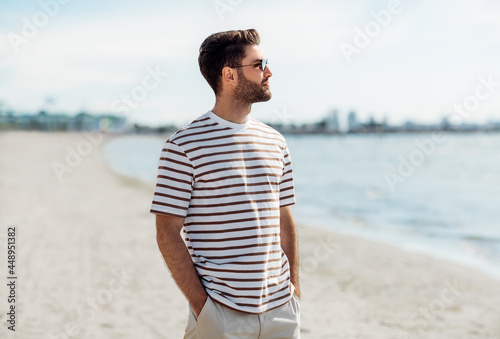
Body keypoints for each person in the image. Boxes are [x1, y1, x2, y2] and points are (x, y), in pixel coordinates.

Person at [150, 28, 300, 339]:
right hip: (221, 313)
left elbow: (284, 219)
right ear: (229, 75)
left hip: (281, 310)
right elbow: (167, 231)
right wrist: (204, 308)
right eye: (258, 65)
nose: (268, 72)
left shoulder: (275, 141)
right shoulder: (183, 146)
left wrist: (294, 290)